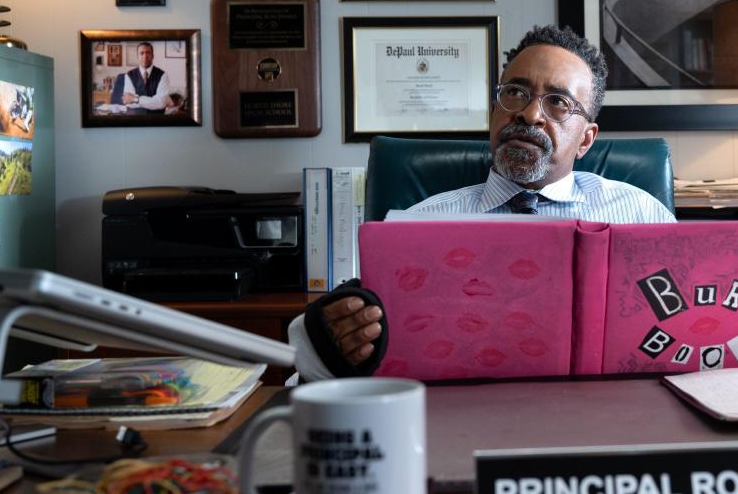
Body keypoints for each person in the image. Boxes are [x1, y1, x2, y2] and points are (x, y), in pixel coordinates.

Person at [289, 24, 676, 380]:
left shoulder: (641, 216)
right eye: (515, 93)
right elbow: (314, 367)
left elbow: (680, 329)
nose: (528, 114)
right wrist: (331, 342)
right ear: (495, 109)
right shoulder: (416, 226)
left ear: (587, 140)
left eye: (557, 102)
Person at [109, 42, 170, 113]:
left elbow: (161, 103)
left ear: (152, 56)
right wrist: (153, 102)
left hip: (155, 120)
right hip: (135, 119)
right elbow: (129, 102)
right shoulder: (129, 75)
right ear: (137, 56)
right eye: (142, 53)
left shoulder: (163, 75)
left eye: (148, 53)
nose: (145, 56)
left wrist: (136, 99)